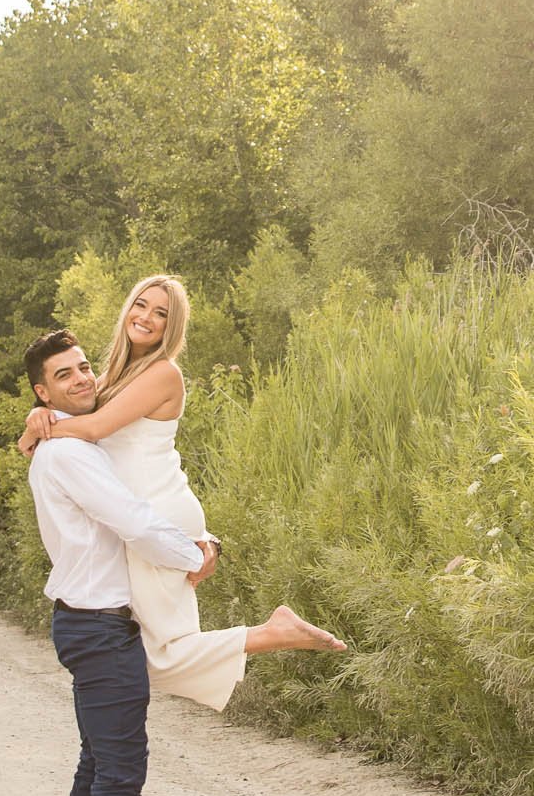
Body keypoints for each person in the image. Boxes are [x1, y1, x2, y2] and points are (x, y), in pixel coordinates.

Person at [17, 272, 344, 705]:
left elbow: (92, 426)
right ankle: (270, 632)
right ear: (128, 307)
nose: (147, 317)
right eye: (141, 305)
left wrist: (40, 429)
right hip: (142, 514)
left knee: (157, 658)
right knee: (139, 655)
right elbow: (77, 407)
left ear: (172, 326)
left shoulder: (162, 373)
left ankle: (272, 633)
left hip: (157, 512)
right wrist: (36, 416)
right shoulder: (116, 371)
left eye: (161, 313)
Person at [25, 326, 212, 796]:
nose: (81, 378)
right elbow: (133, 522)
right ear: (42, 391)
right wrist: (197, 555)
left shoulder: (68, 439)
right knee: (121, 770)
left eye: (84, 368)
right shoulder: (72, 453)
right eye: (65, 375)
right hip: (102, 629)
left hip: (85, 622)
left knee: (95, 764)